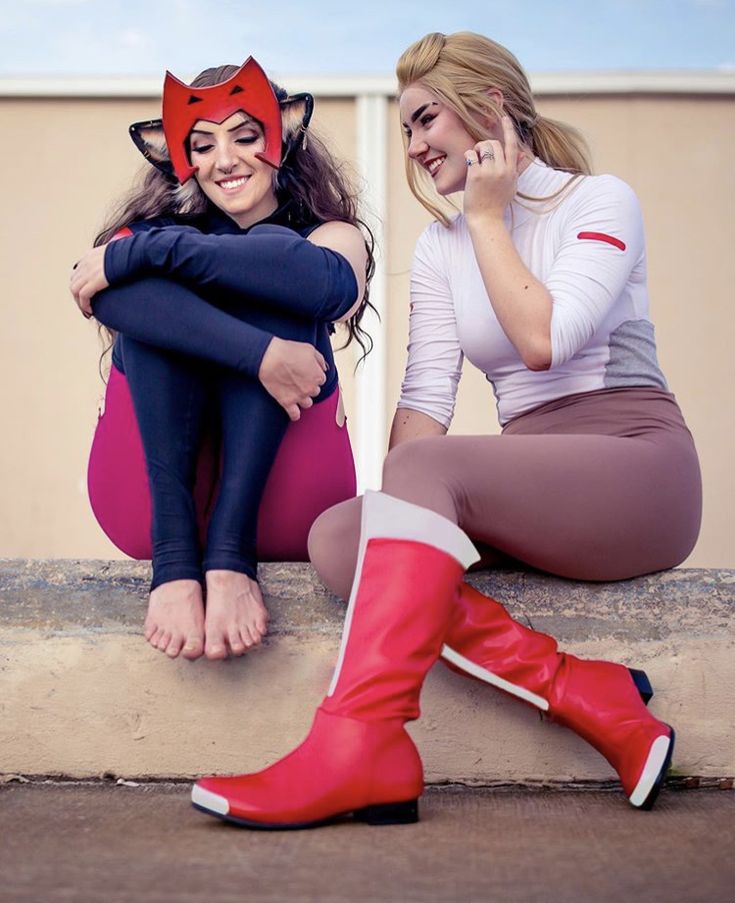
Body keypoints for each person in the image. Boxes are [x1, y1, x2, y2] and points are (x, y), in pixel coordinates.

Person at [189, 32, 702, 828]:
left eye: (426, 120)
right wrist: (399, 522)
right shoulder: (440, 246)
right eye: (405, 130)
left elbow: (542, 340)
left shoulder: (598, 201)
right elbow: (424, 399)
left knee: (424, 472)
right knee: (339, 539)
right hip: (531, 485)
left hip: (635, 470)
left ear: (488, 108)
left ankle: (357, 743)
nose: (415, 145)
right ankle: (578, 688)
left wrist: (489, 217)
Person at [70, 58, 373, 662]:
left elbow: (326, 286)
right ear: (180, 158)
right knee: (156, 305)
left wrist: (154, 251)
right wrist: (261, 356)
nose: (225, 160)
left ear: (283, 134)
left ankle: (230, 556)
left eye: (245, 135)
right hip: (147, 508)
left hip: (286, 508)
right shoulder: (147, 236)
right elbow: (104, 292)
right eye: (202, 145)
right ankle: (179, 562)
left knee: (275, 260)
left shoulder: (334, 232)